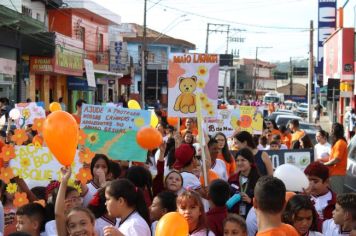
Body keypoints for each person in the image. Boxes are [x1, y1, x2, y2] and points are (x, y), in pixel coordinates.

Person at [228, 148, 260, 218]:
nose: (239, 163)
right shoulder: (232, 179)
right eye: (237, 160)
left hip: (252, 218)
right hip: (234, 217)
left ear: (250, 162)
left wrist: (250, 201)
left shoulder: (259, 180)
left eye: (243, 160)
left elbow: (264, 202)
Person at [304, 162, 336, 229]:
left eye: (315, 181)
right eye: (307, 180)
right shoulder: (302, 197)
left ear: (326, 182)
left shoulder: (336, 201)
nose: (311, 185)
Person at [324, 123, 348, 194]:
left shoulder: (340, 143)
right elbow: (333, 158)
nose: (330, 131)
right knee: (332, 196)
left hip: (337, 174)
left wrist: (324, 164)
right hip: (333, 173)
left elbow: (336, 159)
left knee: (336, 196)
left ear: (334, 130)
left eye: (331, 129)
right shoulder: (338, 142)